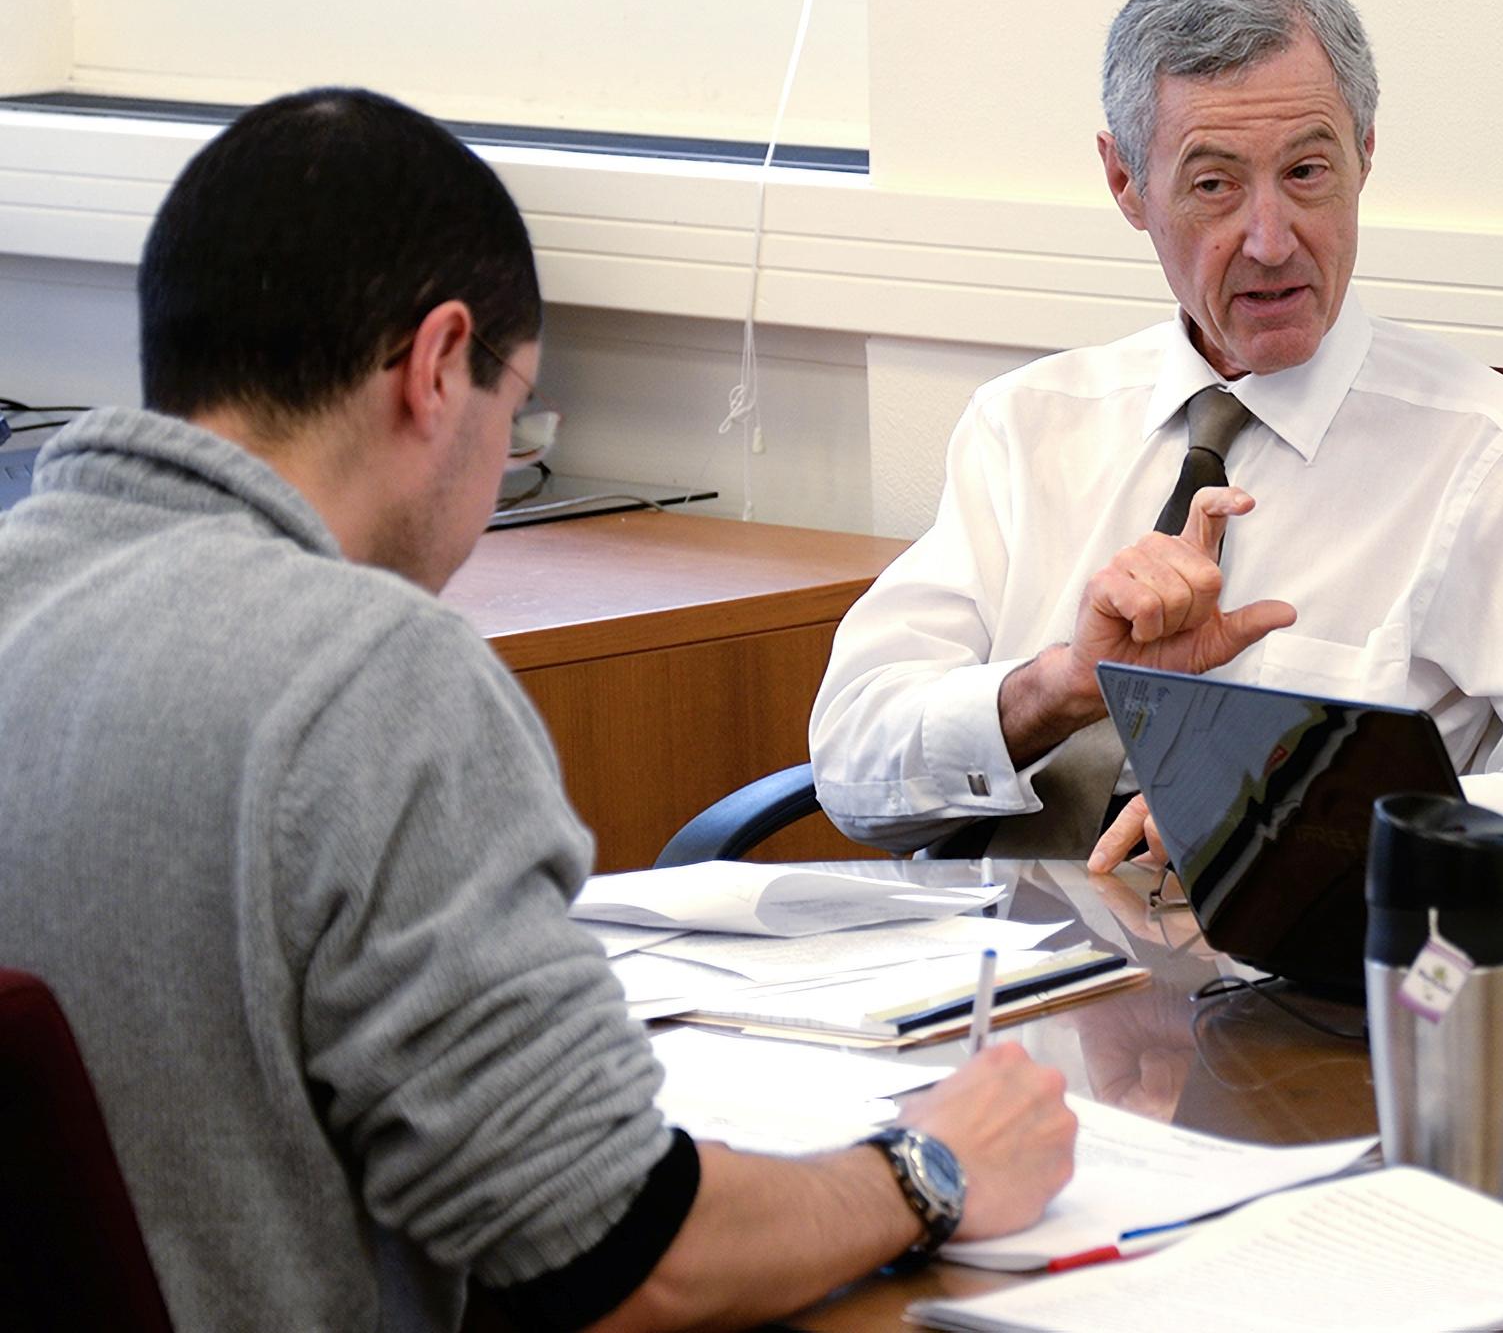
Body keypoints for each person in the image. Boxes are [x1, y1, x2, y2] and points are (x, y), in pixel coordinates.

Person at [0, 88, 1076, 1331]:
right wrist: (925, 1168)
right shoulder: (368, 675)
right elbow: (617, 1254)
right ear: (439, 364)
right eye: (514, 407)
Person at [810, 0, 1503, 912]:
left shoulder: (1492, 451)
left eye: (1308, 172)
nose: (1273, 240)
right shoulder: (1026, 423)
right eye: (1213, 185)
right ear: (1125, 182)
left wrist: (1338, 818)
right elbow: (853, 761)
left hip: (1284, 994)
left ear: (1365, 152)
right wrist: (1065, 685)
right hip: (982, 979)